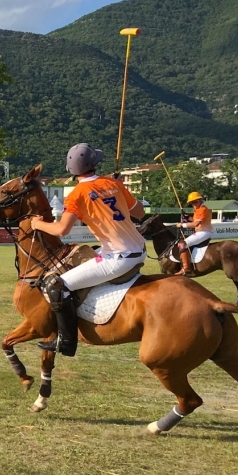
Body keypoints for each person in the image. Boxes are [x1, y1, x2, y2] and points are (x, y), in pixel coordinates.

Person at [27, 143, 146, 357]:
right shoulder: (114, 183)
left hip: (118, 258)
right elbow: (139, 212)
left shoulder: (76, 195)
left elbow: (62, 230)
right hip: (136, 249)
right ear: (94, 164)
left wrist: (37, 224)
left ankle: (66, 342)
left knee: (57, 286)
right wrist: (118, 188)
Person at [176, 191, 212, 276]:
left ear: (200, 200)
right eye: (192, 203)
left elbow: (196, 224)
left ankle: (186, 268)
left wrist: (182, 224)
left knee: (182, 244)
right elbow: (194, 220)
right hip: (201, 231)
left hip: (204, 232)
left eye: (195, 201)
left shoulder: (203, 209)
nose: (194, 204)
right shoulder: (198, 209)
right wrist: (187, 217)